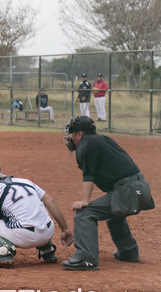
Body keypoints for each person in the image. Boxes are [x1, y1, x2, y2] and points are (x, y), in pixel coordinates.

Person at [61, 116, 154, 271]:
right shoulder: (103, 139)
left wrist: (85, 200)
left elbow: (89, 173)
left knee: (85, 214)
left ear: (80, 134)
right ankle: (128, 252)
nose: (70, 138)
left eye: (72, 134)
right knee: (114, 213)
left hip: (128, 191)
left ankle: (86, 258)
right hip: (141, 189)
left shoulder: (86, 144)